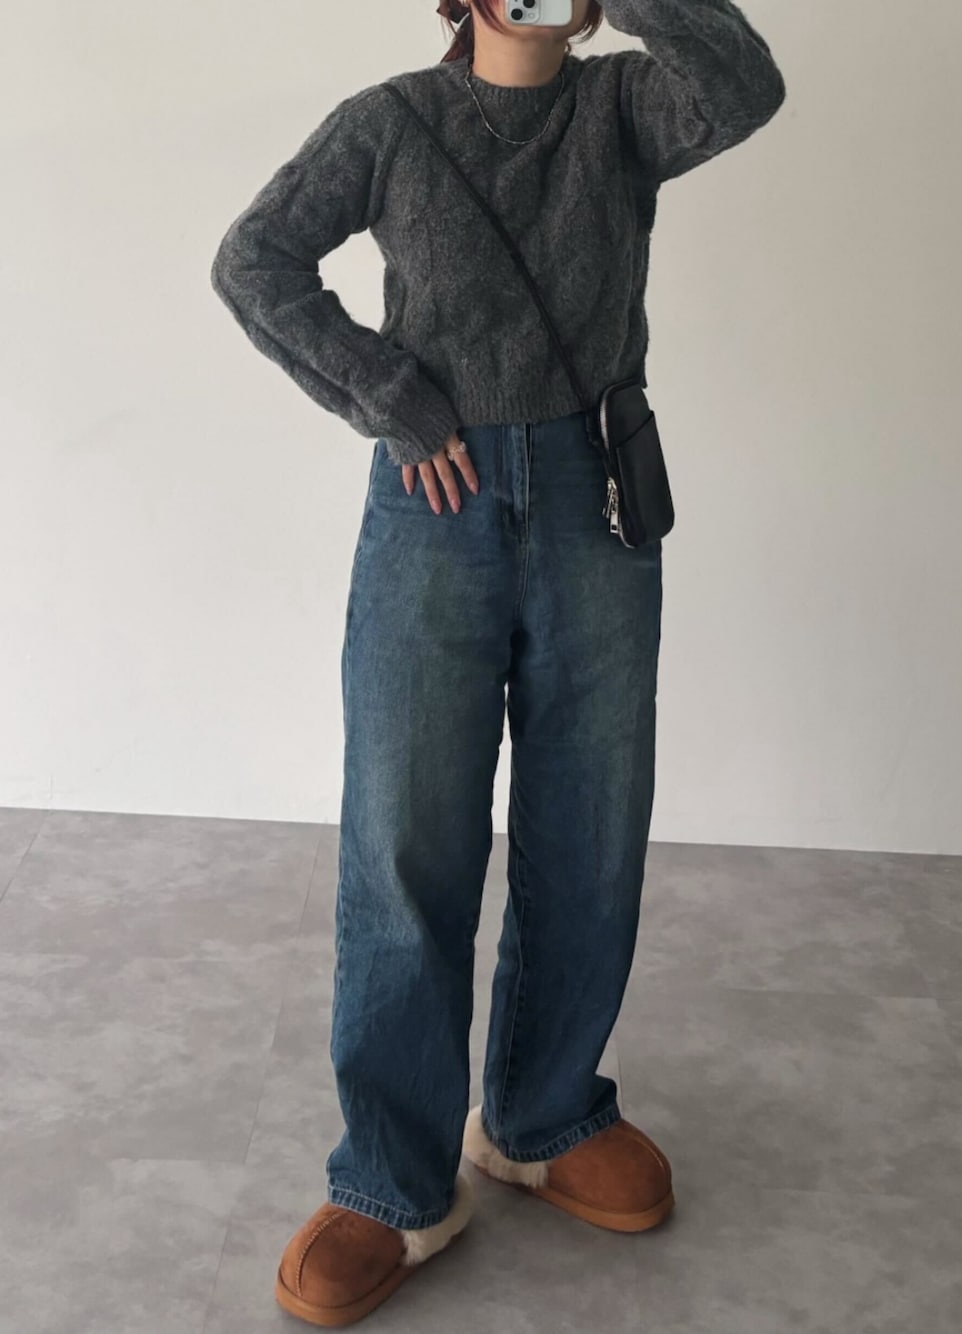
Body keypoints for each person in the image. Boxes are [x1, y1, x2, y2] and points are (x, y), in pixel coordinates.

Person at [210, 0, 785, 1324]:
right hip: (439, 497)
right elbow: (255, 260)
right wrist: (391, 397)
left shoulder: (626, 107)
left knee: (592, 825)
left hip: (597, 497)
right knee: (406, 839)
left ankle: (540, 1115)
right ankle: (393, 1182)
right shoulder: (391, 122)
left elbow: (745, 85)